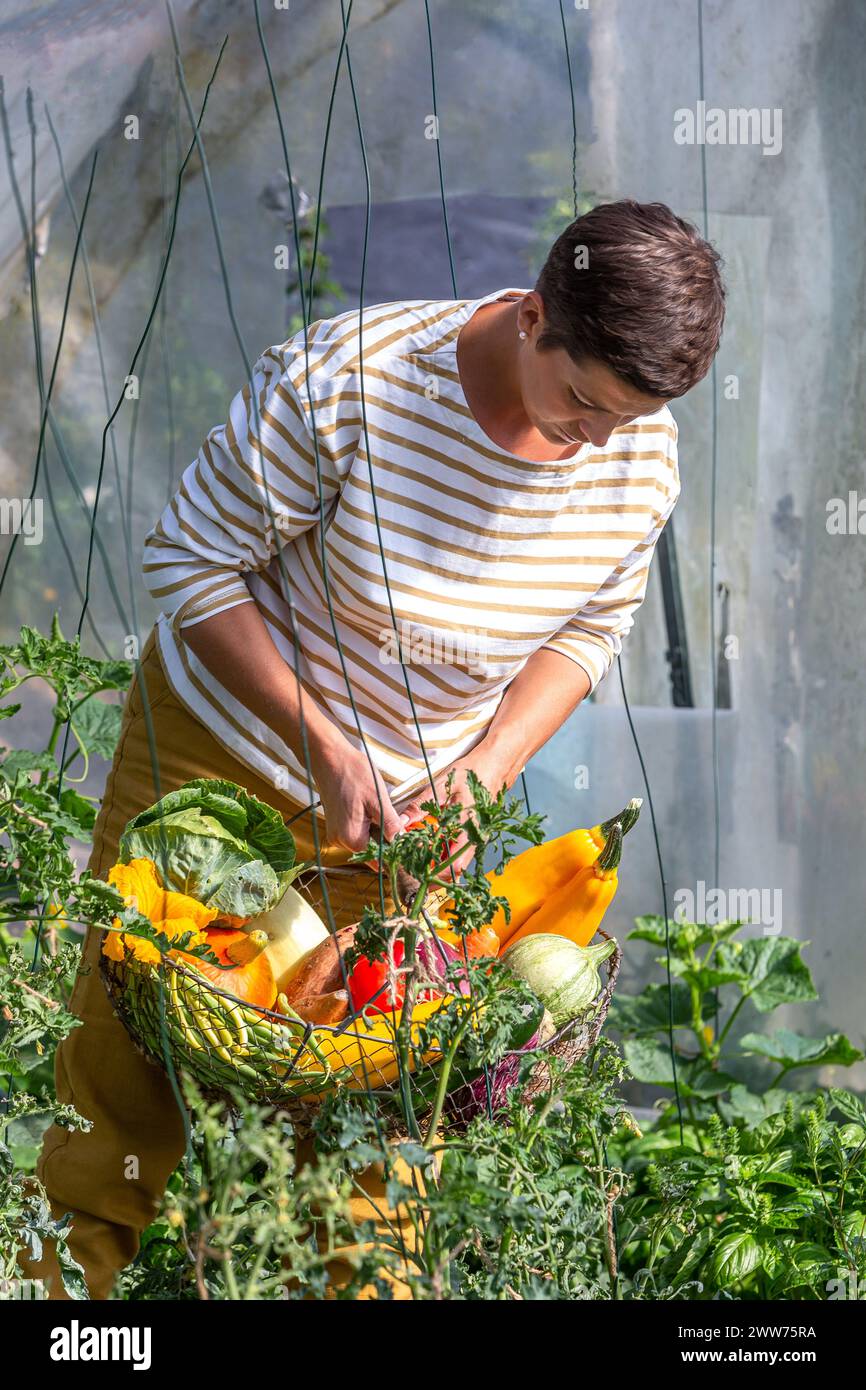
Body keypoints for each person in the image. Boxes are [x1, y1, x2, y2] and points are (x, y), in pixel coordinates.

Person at [24, 198, 724, 1299]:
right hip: (221, 755)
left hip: (408, 818)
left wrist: (482, 772)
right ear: (533, 316)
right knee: (125, 1080)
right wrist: (326, 746)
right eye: (582, 403)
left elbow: (590, 628)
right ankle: (57, 1302)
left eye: (624, 420)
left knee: (377, 1130)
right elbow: (191, 561)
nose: (597, 440)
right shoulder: (351, 382)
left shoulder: (634, 449)